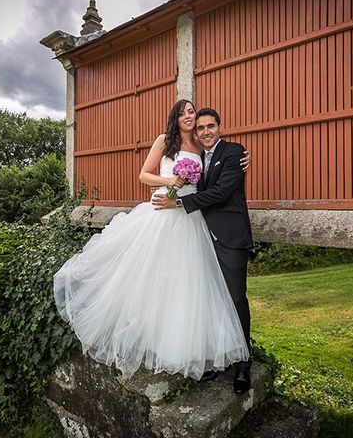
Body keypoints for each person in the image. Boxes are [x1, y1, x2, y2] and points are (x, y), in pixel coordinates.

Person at [53, 99, 250, 384]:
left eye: (192, 112)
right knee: (155, 280)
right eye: (183, 112)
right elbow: (144, 174)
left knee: (194, 285)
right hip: (163, 213)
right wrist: (170, 182)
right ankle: (157, 340)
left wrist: (244, 160)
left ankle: (211, 350)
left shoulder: (201, 145)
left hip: (193, 220)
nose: (189, 116)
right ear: (175, 116)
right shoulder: (165, 141)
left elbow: (220, 176)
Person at [152, 107, 253, 394]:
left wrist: (180, 204)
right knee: (212, 300)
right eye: (200, 128)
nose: (206, 131)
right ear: (195, 132)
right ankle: (221, 358)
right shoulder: (198, 156)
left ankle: (244, 363)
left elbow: (221, 192)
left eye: (210, 126)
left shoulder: (234, 153)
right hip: (200, 236)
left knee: (235, 300)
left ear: (220, 127)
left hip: (230, 238)